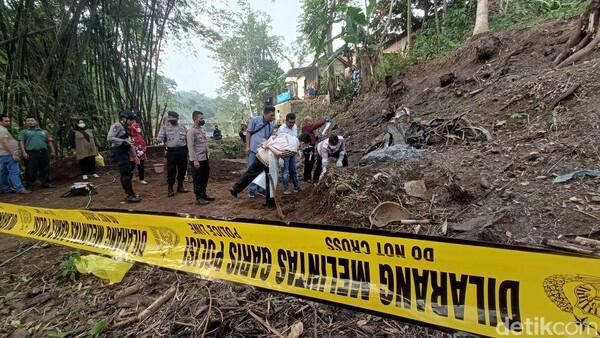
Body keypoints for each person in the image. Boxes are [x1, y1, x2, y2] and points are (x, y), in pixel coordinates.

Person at [231, 133, 310, 211]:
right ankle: (270, 204)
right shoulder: (293, 149)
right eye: (306, 145)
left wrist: (268, 145)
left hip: (261, 153)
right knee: (271, 181)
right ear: (302, 143)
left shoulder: (288, 135)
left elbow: (274, 136)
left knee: (250, 173)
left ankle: (235, 188)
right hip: (269, 159)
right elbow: (279, 153)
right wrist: (269, 146)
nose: (305, 148)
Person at [107, 110, 141, 203]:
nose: (133, 122)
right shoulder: (117, 126)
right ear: (125, 119)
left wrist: (135, 156)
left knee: (128, 173)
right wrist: (123, 141)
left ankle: (130, 193)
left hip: (125, 151)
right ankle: (129, 195)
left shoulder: (128, 128)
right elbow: (110, 137)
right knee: (126, 173)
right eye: (131, 120)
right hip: (119, 151)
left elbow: (130, 143)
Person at [245, 106, 275, 198]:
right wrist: (247, 146)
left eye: (274, 115)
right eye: (271, 115)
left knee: (262, 171)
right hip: (253, 149)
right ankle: (252, 190)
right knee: (251, 169)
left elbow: (268, 138)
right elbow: (248, 133)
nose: (273, 117)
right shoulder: (254, 120)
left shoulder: (271, 125)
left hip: (263, 151)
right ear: (265, 114)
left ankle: (261, 189)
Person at [157, 111, 189, 197]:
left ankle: (180, 186)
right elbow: (160, 138)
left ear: (177, 119)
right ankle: (170, 188)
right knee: (171, 170)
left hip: (182, 150)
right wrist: (158, 140)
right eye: (170, 119)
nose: (171, 121)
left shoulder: (183, 127)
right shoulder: (165, 127)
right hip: (171, 151)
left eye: (173, 119)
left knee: (182, 169)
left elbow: (187, 138)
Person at [18, 116, 56, 189]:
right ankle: (30, 185)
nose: (30, 122)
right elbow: (21, 143)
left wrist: (53, 151)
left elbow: (49, 142)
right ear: (26, 123)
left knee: (45, 168)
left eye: (32, 120)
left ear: (36, 122)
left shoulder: (44, 131)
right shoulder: (24, 132)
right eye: (28, 121)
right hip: (31, 152)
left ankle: (46, 183)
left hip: (44, 152)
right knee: (31, 169)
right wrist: (24, 153)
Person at [187, 111, 215, 205]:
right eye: (201, 118)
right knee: (198, 179)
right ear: (195, 119)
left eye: (203, 118)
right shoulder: (191, 131)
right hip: (197, 159)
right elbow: (191, 147)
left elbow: (204, 143)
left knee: (204, 177)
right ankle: (198, 197)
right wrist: (194, 160)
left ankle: (204, 194)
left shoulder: (201, 130)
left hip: (204, 158)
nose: (203, 120)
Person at [0, 115, 30, 194]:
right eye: (6, 121)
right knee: (14, 171)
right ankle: (19, 188)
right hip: (7, 154)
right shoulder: (2, 130)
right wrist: (13, 153)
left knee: (4, 172)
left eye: (8, 120)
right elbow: (4, 142)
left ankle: (6, 189)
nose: (8, 122)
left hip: (2, 154)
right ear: (0, 121)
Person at [277, 113, 300, 194]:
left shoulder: (295, 127)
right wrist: (280, 155)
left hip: (293, 152)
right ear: (286, 121)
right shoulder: (281, 129)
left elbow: (295, 138)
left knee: (293, 170)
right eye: (290, 122)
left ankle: (296, 186)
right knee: (285, 171)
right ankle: (286, 189)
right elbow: (279, 142)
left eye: (293, 122)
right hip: (285, 153)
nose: (292, 124)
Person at [301, 117, 326, 182]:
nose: (311, 122)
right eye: (309, 121)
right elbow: (316, 125)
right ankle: (307, 178)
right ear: (306, 122)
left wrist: (317, 137)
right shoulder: (306, 127)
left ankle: (306, 177)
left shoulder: (308, 129)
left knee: (309, 161)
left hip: (310, 147)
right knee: (309, 162)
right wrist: (324, 121)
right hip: (308, 148)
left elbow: (311, 138)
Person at [130, 118, 148, 185]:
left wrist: (143, 151)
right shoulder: (130, 137)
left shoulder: (140, 136)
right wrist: (136, 151)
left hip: (141, 154)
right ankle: (132, 177)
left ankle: (142, 179)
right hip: (133, 154)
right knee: (131, 166)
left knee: (141, 166)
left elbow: (144, 144)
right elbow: (130, 145)